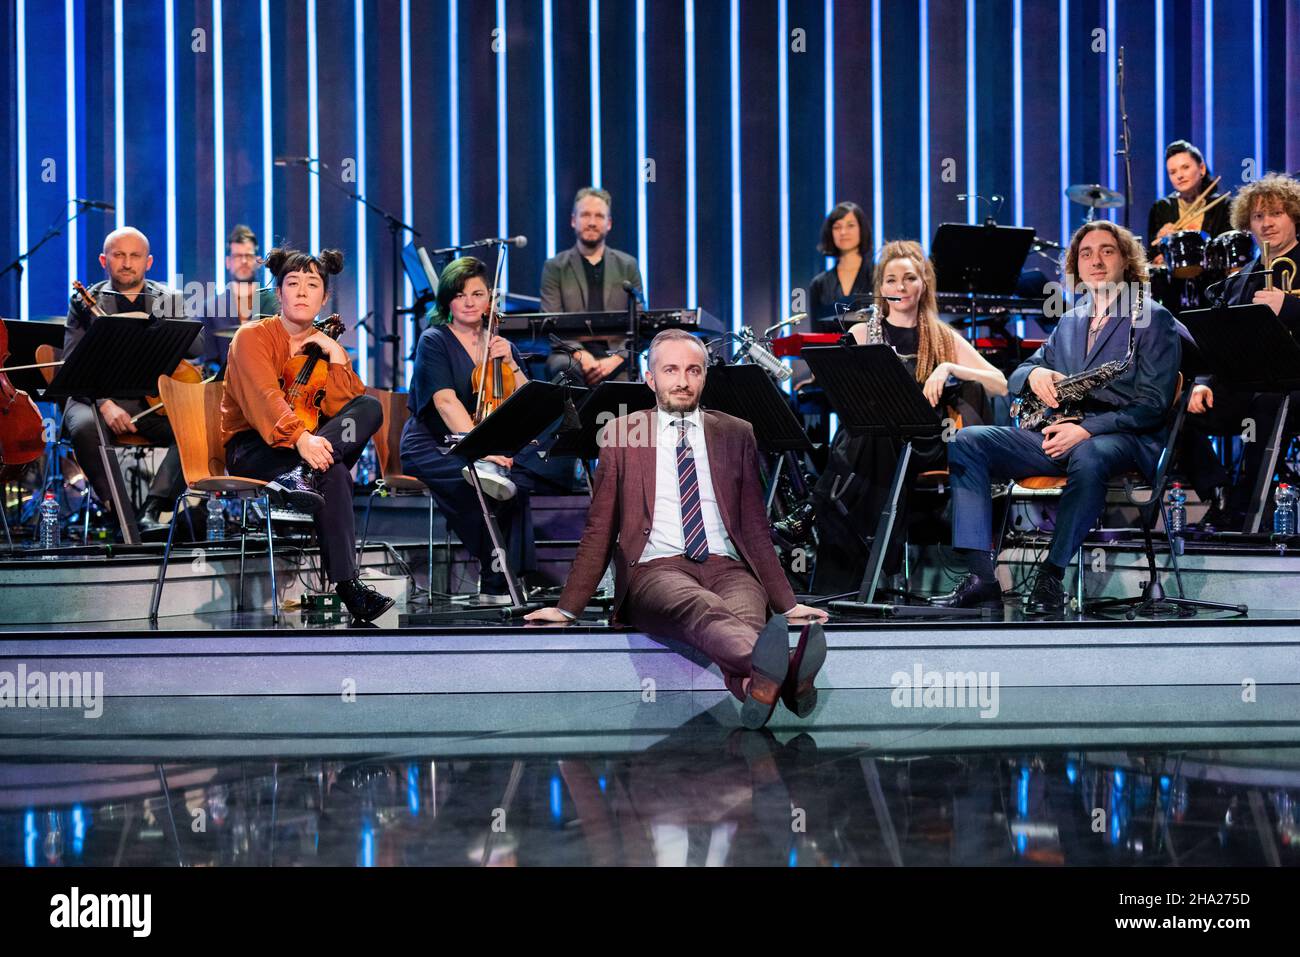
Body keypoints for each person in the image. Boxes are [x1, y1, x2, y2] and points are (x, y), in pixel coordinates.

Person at [525, 328, 830, 730]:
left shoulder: (736, 432)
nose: (682, 381)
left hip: (728, 567)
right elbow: (599, 528)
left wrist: (788, 606)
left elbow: (755, 529)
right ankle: (791, 674)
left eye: (693, 370)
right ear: (650, 378)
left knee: (745, 617)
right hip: (657, 569)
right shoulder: (620, 434)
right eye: (670, 370)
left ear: (705, 377)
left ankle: (760, 688)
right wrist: (568, 608)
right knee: (704, 610)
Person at [931, 221, 1181, 615]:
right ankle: (983, 578)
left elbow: (1152, 404)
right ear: (1076, 266)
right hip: (1060, 434)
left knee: (1089, 455)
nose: (1096, 260)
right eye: (1086, 253)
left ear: (1126, 260)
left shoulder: (1152, 317)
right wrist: (1035, 374)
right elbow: (1016, 376)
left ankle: (1051, 575)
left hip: (1123, 435)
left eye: (1107, 251)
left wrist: (1084, 430)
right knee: (967, 441)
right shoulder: (1070, 320)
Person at [807, 240, 1007, 593]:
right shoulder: (860, 333)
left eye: (909, 278)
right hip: (877, 437)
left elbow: (1000, 384)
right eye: (891, 280)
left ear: (924, 283)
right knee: (870, 433)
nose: (899, 287)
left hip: (927, 438)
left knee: (866, 443)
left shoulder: (944, 336)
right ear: (880, 288)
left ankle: (827, 518)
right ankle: (863, 558)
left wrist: (947, 367)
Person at [220, 246, 392, 623]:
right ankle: (349, 585)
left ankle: (306, 477)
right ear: (278, 293)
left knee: (369, 408)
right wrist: (302, 440)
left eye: (311, 285)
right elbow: (265, 399)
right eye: (292, 283)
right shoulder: (252, 337)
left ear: (324, 296)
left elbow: (346, 408)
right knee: (333, 470)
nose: (301, 292)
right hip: (254, 446)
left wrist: (337, 356)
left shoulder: (326, 345)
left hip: (308, 450)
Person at [401, 256, 544, 604]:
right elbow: (446, 402)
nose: (469, 302)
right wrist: (481, 450)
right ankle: (500, 579)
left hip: (481, 445)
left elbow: (526, 399)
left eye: (477, 294)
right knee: (479, 481)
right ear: (447, 300)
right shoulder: (434, 340)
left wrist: (511, 362)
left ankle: (505, 580)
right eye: (460, 294)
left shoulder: (500, 345)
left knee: (517, 481)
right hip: (432, 443)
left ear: (489, 300)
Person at [62, 226, 201, 535]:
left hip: (149, 400)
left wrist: (167, 321)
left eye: (135, 256)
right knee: (85, 426)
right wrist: (105, 405)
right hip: (94, 397)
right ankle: (117, 513)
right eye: (119, 255)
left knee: (195, 428)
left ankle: (152, 509)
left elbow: (197, 348)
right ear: (103, 260)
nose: (127, 263)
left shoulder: (167, 298)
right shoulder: (84, 302)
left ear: (148, 262)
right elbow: (73, 367)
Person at [1183, 172, 1300, 528]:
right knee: (1172, 404)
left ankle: (1248, 511)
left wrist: (1290, 308)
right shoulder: (1242, 277)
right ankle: (1218, 492)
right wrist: (1201, 381)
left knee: (1268, 405)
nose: (1266, 224)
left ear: (1294, 215)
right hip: (1247, 383)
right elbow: (1217, 344)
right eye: (1258, 216)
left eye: (1276, 213)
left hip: (1294, 385)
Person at [539, 187, 639, 383]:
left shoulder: (628, 265)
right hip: (569, 353)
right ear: (573, 220)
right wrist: (581, 355)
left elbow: (639, 325)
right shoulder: (554, 267)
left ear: (609, 223)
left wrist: (617, 359)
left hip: (616, 355)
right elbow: (550, 325)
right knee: (563, 369)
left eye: (599, 216)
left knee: (626, 380)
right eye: (585, 215)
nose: (592, 222)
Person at [1147, 140, 1233, 315]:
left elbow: (1227, 249)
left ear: (1201, 169)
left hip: (1213, 289)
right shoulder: (1161, 208)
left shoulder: (1223, 205)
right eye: (1172, 172)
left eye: (1185, 167)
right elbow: (1151, 255)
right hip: (1174, 293)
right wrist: (1163, 243)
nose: (1179, 175)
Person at [202, 224, 278, 376]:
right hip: (225, 389)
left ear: (258, 261)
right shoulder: (211, 307)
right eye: (237, 256)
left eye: (248, 256)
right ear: (228, 262)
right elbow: (208, 360)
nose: (243, 261)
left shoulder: (275, 303)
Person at [807, 201, 873, 323]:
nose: (843, 232)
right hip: (831, 343)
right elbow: (816, 333)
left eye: (850, 225)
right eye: (837, 227)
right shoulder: (818, 285)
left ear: (861, 229)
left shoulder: (880, 276)